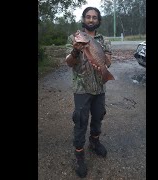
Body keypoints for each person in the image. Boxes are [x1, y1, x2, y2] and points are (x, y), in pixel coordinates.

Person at [65, 7, 112, 178]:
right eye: (88, 17)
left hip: (100, 88)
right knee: (80, 120)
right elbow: (69, 63)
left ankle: (94, 142)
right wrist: (76, 50)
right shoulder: (73, 38)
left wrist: (103, 65)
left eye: (94, 17)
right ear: (83, 19)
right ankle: (79, 156)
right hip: (81, 89)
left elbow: (108, 61)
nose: (91, 20)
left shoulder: (104, 40)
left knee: (98, 116)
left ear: (98, 20)